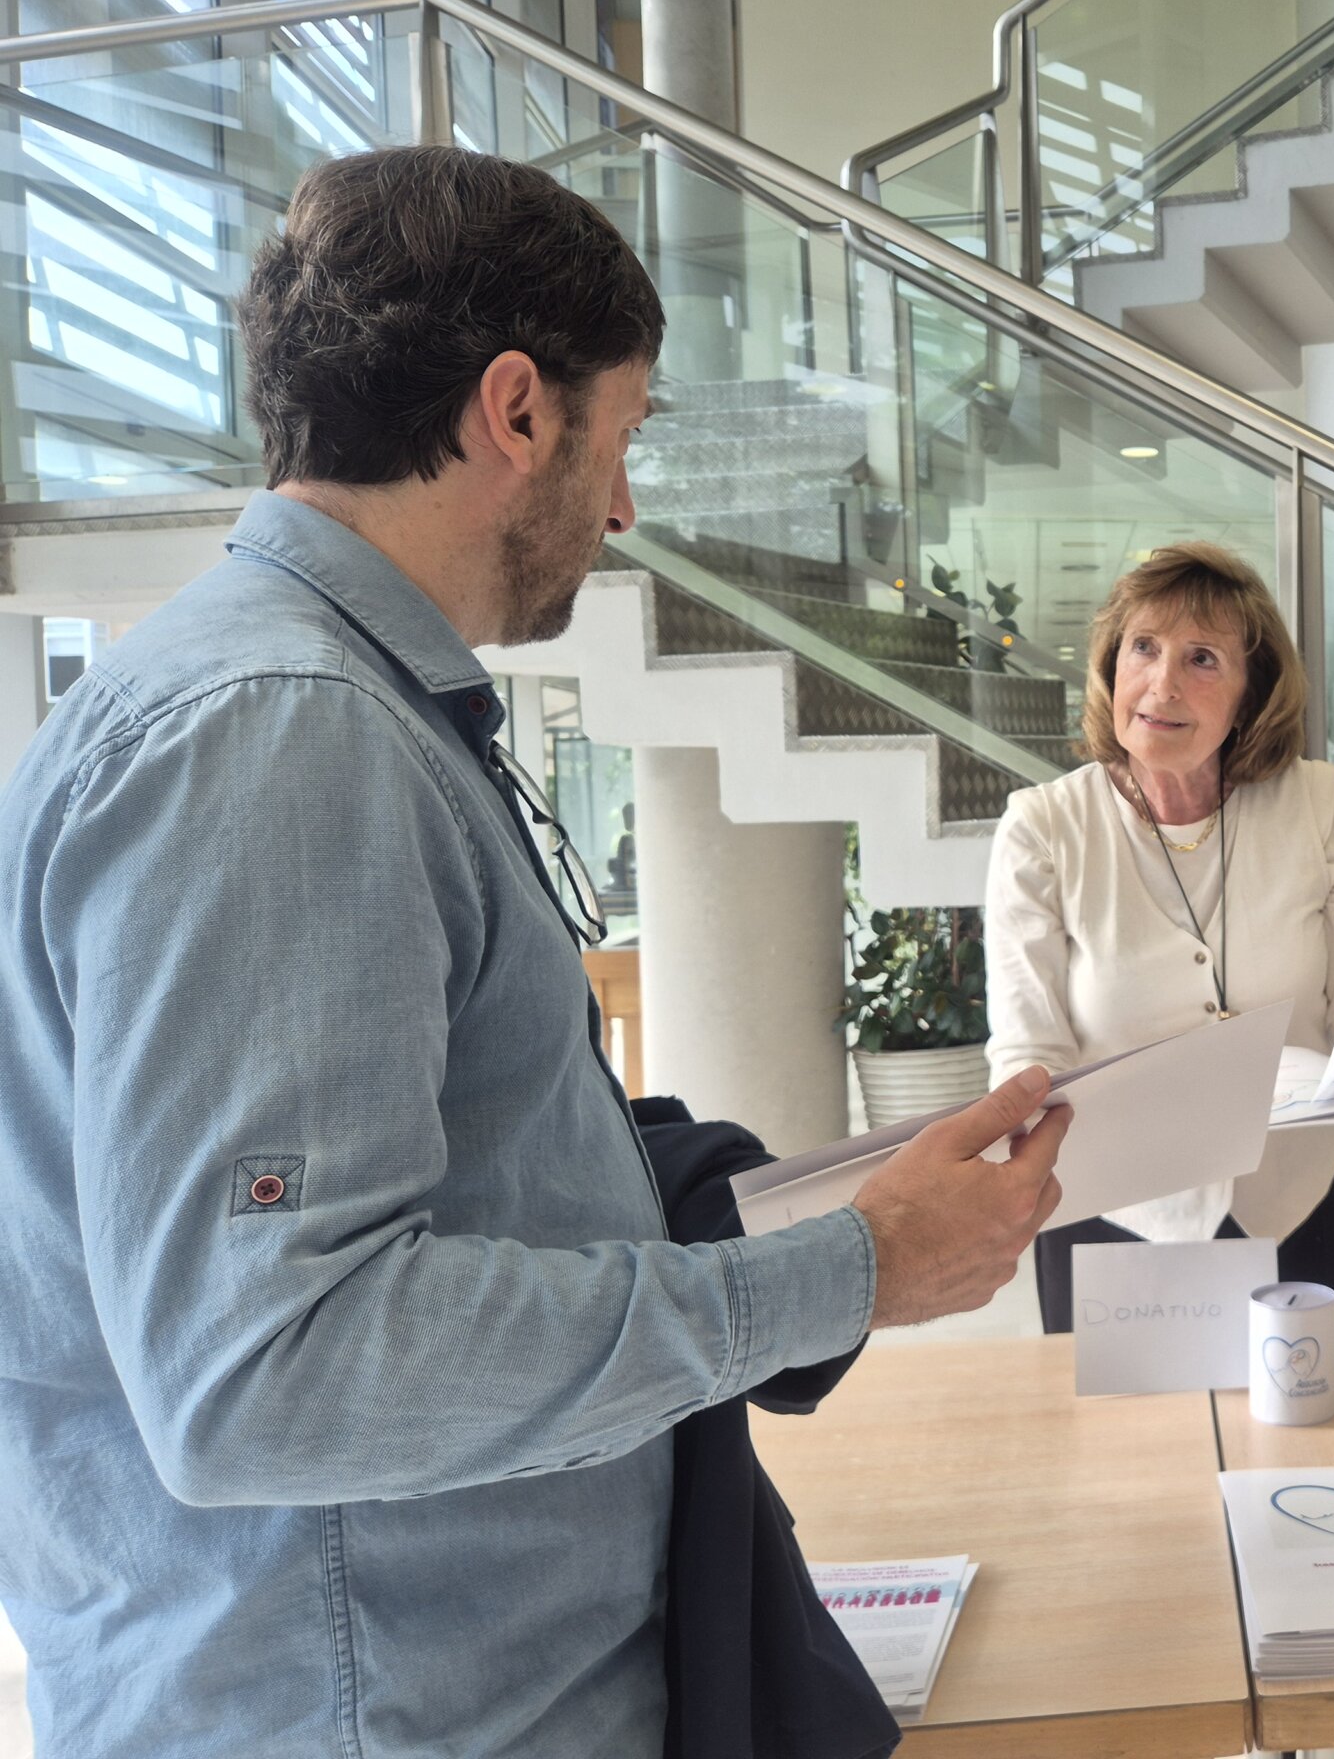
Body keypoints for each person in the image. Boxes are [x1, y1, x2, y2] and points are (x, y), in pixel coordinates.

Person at [0, 148, 1074, 1759]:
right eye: (621, 435)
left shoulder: (313, 704)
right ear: (517, 412)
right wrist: (845, 1274)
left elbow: (427, 1183)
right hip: (384, 1713)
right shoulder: (280, 740)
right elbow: (270, 1369)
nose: (627, 504)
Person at [983, 542, 1334, 1335]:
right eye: (1143, 648)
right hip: (1117, 1208)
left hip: (1294, 1194)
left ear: (1252, 694)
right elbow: (1027, 1053)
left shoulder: (1317, 802)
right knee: (1119, 1458)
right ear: (1111, 664)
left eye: (1202, 658)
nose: (1161, 684)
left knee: (1304, 1443)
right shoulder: (1045, 826)